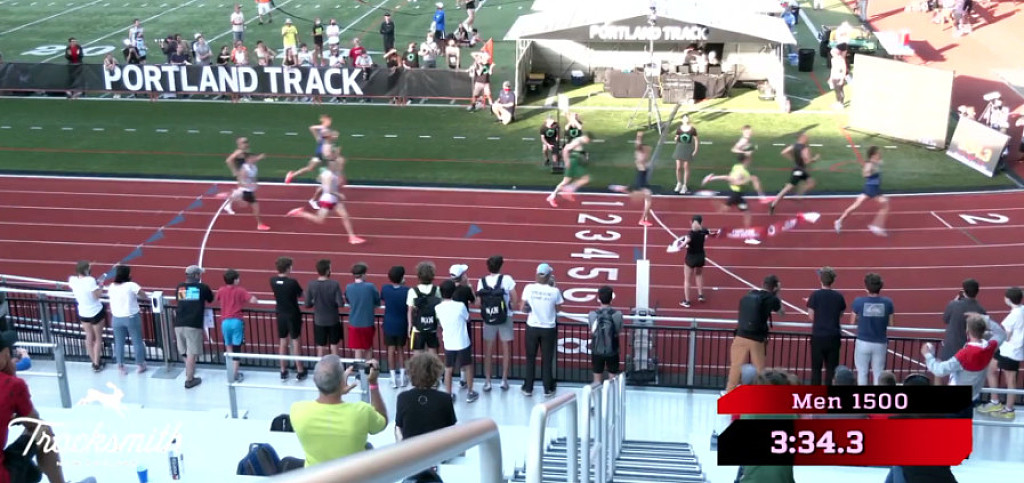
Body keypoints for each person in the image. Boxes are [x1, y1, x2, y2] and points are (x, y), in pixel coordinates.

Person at [290, 356, 387, 467]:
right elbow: (382, 420)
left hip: (316, 475)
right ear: (341, 382)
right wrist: (373, 384)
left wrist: (338, 389)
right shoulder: (362, 412)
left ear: (314, 381)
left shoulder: (297, 410)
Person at [923, 314, 1006, 413]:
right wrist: (985, 319)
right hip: (973, 395)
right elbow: (1001, 334)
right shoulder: (990, 347)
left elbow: (939, 371)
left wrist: (927, 355)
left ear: (967, 331)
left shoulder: (965, 354)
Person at [287, 155, 365, 245]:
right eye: (341, 163)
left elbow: (342, 184)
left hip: (334, 198)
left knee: (345, 216)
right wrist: (339, 194)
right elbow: (328, 190)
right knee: (320, 220)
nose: (342, 165)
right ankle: (300, 213)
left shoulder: (337, 172)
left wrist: (341, 178)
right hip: (328, 199)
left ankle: (352, 237)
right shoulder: (327, 175)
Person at [725, 275, 784, 392]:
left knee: (735, 366)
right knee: (760, 369)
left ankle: (730, 391)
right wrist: (777, 294)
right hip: (757, 338)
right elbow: (781, 312)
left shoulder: (749, 294)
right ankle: (759, 393)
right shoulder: (771, 299)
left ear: (763, 284)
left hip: (740, 334)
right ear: (775, 287)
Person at [978, 287, 1024, 420]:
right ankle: (995, 401)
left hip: (1012, 351)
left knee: (1010, 380)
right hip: (1005, 349)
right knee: (990, 369)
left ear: (1008, 299)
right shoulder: (1021, 309)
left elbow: (1006, 336)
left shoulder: (1013, 317)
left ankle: (1009, 409)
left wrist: (990, 334)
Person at [519, 263, 564, 397]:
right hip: (548, 328)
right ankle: (547, 388)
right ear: (549, 276)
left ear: (537, 275)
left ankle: (528, 387)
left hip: (532, 326)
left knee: (530, 358)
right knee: (547, 359)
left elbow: (522, 308)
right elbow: (558, 309)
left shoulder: (529, 288)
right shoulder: (554, 291)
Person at [701, 152, 765, 243]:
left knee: (745, 213)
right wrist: (748, 179)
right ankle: (711, 197)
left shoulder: (737, 166)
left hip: (737, 195)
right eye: (749, 159)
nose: (751, 160)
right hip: (736, 195)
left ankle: (748, 236)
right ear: (746, 160)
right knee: (738, 212)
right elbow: (735, 182)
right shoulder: (743, 172)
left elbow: (729, 177)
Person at [477, 255, 517, 392]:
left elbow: (478, 302)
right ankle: (504, 380)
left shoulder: (482, 281)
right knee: (506, 349)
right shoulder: (507, 279)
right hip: (505, 317)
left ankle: (487, 381)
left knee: (488, 350)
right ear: (501, 266)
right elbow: (514, 298)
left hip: (489, 318)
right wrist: (511, 307)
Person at [436, 280, 478, 402]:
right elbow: (468, 318)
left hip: (449, 342)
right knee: (468, 366)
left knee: (448, 369)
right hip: (462, 341)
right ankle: (470, 392)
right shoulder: (460, 306)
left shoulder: (438, 308)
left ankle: (448, 394)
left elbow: (440, 323)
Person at [834, 146, 889, 237]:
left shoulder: (876, 162)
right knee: (885, 205)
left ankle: (839, 221)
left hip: (874, 188)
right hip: (872, 188)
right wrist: (870, 171)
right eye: (878, 153)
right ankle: (876, 226)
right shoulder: (870, 164)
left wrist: (877, 164)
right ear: (873, 155)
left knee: (856, 206)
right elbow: (865, 174)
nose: (880, 154)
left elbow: (880, 162)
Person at [851, 272, 895, 385]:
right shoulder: (888, 302)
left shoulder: (858, 301)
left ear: (866, 287)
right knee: (878, 374)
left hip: (863, 342)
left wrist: (862, 318)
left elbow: (852, 321)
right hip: (880, 342)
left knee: (862, 372)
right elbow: (891, 323)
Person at [174, 265, 214, 389]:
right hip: (193, 324)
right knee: (192, 352)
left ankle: (189, 369)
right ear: (196, 275)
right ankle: (189, 379)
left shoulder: (180, 287)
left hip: (179, 323)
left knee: (183, 351)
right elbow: (210, 298)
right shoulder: (202, 287)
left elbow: (179, 300)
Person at [806, 267, 847, 385]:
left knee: (816, 369)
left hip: (818, 336)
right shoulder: (838, 296)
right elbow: (840, 314)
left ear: (821, 280)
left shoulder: (815, 295)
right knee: (832, 370)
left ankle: (815, 394)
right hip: (833, 336)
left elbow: (811, 316)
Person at [216, 269, 258, 382]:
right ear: (234, 280)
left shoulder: (221, 290)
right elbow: (253, 300)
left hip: (225, 322)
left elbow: (217, 298)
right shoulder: (240, 291)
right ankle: (235, 374)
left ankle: (230, 372)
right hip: (236, 322)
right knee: (237, 348)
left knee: (228, 346)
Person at [106, 265, 148, 375]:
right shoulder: (131, 285)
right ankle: (140, 364)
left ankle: (120, 366)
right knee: (137, 341)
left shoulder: (111, 286)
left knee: (119, 342)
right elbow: (144, 295)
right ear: (127, 275)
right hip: (131, 316)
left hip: (116, 318)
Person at [609, 130, 654, 226]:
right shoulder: (640, 157)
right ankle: (642, 219)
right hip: (641, 180)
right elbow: (638, 145)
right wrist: (639, 137)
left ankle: (623, 188)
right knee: (647, 197)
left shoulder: (642, 158)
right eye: (646, 150)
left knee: (643, 196)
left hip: (642, 179)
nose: (648, 152)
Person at [271, 257, 306, 381]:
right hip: (292, 314)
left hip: (281, 314)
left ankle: (283, 370)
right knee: (295, 341)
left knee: (282, 341)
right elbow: (301, 294)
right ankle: (300, 369)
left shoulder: (273, 281)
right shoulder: (292, 282)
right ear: (288, 268)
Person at [768, 133, 820, 215]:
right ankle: (773, 203)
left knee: (811, 183)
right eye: (806, 137)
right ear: (802, 138)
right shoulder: (805, 148)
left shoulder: (794, 146)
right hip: (800, 171)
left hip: (799, 170)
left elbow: (783, 152)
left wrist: (793, 159)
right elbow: (807, 161)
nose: (807, 139)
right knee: (787, 189)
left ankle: (798, 194)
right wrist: (815, 159)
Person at [68, 261, 106, 372]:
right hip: (95, 311)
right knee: (98, 338)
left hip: (83, 312)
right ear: (86, 270)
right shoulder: (90, 280)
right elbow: (96, 296)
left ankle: (93, 361)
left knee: (88, 336)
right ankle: (97, 363)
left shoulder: (72, 280)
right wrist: (101, 286)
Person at [306, 259, 346, 357]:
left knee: (321, 347)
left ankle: (321, 365)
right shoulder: (334, 284)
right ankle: (336, 365)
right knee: (334, 346)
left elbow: (307, 304)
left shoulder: (311, 284)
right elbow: (340, 303)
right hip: (333, 320)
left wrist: (315, 302)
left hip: (319, 320)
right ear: (328, 270)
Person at [677, 215, 719, 308]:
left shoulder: (690, 234)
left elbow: (684, 243)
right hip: (700, 257)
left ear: (691, 222)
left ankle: (687, 301)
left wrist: (679, 246)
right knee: (699, 275)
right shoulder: (704, 231)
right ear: (701, 222)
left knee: (687, 280)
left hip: (691, 258)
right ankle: (700, 295)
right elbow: (711, 234)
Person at [940, 278, 985, 362]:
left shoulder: (953, 305)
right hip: (970, 353)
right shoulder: (981, 310)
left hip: (951, 349)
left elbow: (945, 319)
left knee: (942, 368)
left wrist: (954, 302)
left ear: (964, 292)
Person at [344, 263, 381, 361]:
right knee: (368, 348)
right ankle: (368, 368)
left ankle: (359, 369)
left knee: (357, 350)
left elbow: (348, 300)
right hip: (367, 322)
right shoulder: (370, 287)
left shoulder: (348, 287)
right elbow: (377, 301)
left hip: (354, 323)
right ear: (363, 274)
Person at [381, 266, 410, 388]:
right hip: (402, 324)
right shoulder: (407, 290)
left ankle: (393, 378)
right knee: (401, 350)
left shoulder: (385, 289)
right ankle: (402, 377)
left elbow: (383, 298)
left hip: (389, 324)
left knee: (390, 351)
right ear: (402, 278)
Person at [588, 286, 623, 384]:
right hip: (612, 348)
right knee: (612, 380)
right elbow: (618, 330)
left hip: (597, 349)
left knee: (597, 379)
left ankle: (597, 393)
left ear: (599, 298)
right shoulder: (617, 314)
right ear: (611, 298)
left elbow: (592, 330)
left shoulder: (592, 314)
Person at [546, 133, 591, 207]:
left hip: (576, 163)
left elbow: (577, 152)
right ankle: (556, 195)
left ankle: (565, 191)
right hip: (573, 163)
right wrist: (566, 161)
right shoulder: (578, 141)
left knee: (575, 180)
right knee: (569, 181)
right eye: (588, 140)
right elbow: (566, 149)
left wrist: (584, 156)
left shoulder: (580, 141)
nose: (588, 142)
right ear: (586, 138)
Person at [285, 115, 332, 185]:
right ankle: (322, 180)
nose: (330, 122)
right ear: (325, 120)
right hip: (321, 153)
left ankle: (292, 175)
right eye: (328, 120)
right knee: (327, 167)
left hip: (323, 153)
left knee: (310, 168)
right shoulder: (323, 129)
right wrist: (322, 129)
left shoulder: (325, 131)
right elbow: (312, 128)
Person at [450, 264, 475, 389]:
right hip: (463, 324)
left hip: (450, 324)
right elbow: (474, 301)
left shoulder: (447, 288)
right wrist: (470, 287)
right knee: (464, 352)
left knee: (451, 353)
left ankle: (448, 380)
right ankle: (463, 378)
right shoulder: (465, 290)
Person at [407, 261, 442, 355]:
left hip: (418, 328)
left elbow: (410, 310)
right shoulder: (437, 290)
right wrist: (439, 325)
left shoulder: (413, 291)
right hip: (432, 327)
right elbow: (440, 307)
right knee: (433, 355)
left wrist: (409, 325)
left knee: (417, 355)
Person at [672, 115, 699, 194]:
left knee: (686, 167)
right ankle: (679, 183)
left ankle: (685, 185)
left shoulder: (692, 129)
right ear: (682, 120)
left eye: (687, 118)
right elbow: (676, 138)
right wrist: (675, 139)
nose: (685, 120)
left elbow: (696, 140)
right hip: (679, 147)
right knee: (678, 167)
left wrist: (695, 150)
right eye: (684, 119)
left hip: (688, 148)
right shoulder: (679, 128)